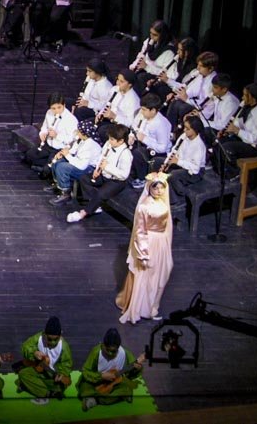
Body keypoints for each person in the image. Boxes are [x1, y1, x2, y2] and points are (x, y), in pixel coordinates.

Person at [118, 173, 175, 323]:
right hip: (150, 242)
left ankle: (152, 305)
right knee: (146, 276)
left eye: (161, 188)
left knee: (160, 274)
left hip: (161, 242)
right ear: (150, 189)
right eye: (156, 188)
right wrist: (143, 254)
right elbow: (140, 231)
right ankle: (141, 309)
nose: (159, 191)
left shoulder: (163, 202)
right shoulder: (144, 206)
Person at [76, 328, 146, 410]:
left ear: (118, 348)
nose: (109, 353)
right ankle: (109, 398)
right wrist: (101, 376)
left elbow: (130, 375)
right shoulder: (96, 352)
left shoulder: (125, 353)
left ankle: (94, 400)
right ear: (103, 345)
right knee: (84, 387)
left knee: (126, 388)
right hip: (95, 381)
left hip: (114, 383)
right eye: (107, 350)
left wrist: (136, 369)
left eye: (113, 351)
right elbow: (85, 371)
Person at [15, 316, 73, 404]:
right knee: (23, 374)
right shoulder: (38, 338)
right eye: (49, 339)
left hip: (53, 375)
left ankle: (31, 387)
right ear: (45, 334)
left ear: (60, 335)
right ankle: (47, 393)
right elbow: (25, 347)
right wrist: (34, 353)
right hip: (40, 370)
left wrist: (61, 374)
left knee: (62, 385)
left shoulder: (64, 347)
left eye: (56, 339)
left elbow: (67, 365)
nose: (52, 342)